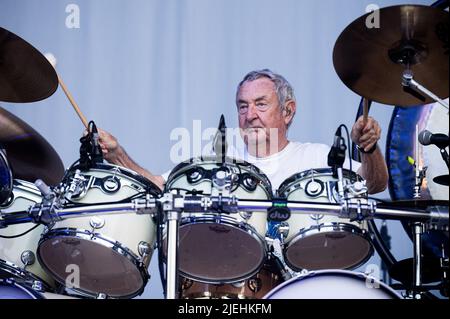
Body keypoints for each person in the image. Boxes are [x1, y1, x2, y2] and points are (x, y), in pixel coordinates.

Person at [97, 69, 388, 194]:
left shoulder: (315, 156)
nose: (249, 115)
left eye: (261, 104)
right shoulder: (218, 161)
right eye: (242, 106)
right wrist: (119, 156)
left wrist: (369, 148)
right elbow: (161, 185)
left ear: (288, 111)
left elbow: (373, 185)